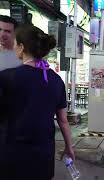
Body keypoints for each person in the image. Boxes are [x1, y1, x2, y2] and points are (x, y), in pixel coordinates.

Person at [0, 25, 74, 180]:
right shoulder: (56, 81)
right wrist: (69, 147)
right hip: (43, 155)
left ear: (21, 47)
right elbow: (63, 121)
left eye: (15, 45)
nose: (13, 49)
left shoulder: (7, 77)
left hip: (11, 154)